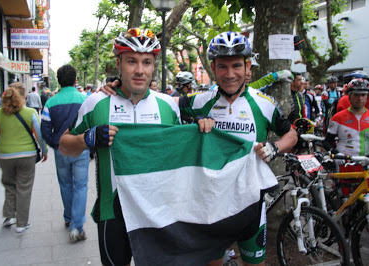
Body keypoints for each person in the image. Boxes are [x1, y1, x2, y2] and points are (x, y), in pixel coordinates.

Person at [58, 28, 213, 266]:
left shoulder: (167, 106)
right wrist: (86, 139)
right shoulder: (96, 103)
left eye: (146, 62)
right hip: (113, 213)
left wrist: (202, 129)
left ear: (154, 67)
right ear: (119, 63)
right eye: (132, 61)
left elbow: (182, 151)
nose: (139, 70)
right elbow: (64, 146)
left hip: (159, 212)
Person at [178, 31, 297, 266]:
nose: (230, 74)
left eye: (236, 66)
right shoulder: (201, 101)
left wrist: (275, 147)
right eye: (223, 67)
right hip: (211, 203)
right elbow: (156, 102)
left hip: (250, 202)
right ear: (213, 68)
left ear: (247, 67)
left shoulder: (263, 102)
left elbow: (291, 134)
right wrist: (116, 87)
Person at [0, 82, 48, 233]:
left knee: (9, 184)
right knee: (24, 187)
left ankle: (9, 216)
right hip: (26, 155)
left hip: (5, 155)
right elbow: (39, 134)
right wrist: (44, 150)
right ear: (23, 95)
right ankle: (22, 223)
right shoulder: (30, 113)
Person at [41, 64, 90, 241]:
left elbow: (45, 129)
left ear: (59, 81)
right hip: (80, 149)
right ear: (75, 80)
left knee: (66, 185)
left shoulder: (50, 102)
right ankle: (77, 227)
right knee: (81, 186)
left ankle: (69, 218)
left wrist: (55, 144)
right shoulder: (84, 99)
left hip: (61, 150)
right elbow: (91, 124)